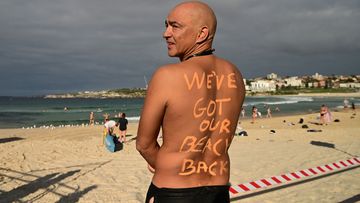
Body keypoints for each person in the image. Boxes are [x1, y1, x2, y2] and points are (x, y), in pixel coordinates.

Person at [136, 2, 245, 202]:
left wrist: (162, 164)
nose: (165, 33)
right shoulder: (235, 75)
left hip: (174, 190)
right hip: (219, 189)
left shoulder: (167, 76)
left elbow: (144, 144)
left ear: (202, 34)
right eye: (166, 25)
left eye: (175, 26)